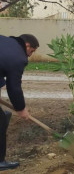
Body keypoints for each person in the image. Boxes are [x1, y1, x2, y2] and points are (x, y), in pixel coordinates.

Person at [0, 34, 39, 171]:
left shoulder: (4, 40)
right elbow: (14, 87)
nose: (29, 56)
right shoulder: (19, 57)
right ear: (27, 45)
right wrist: (21, 109)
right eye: (32, 52)